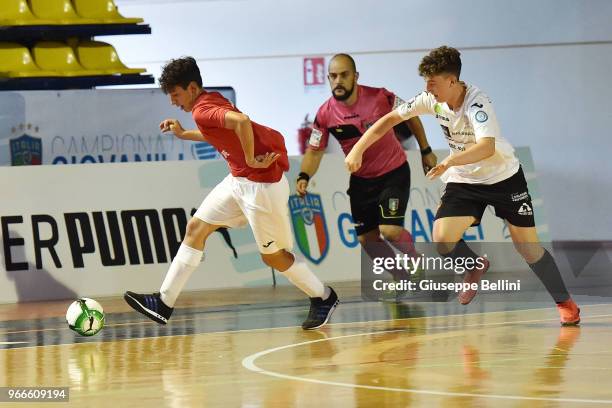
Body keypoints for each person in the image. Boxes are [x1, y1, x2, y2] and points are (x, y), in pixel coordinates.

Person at [344, 46, 580, 325]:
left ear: (452, 81)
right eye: (426, 82)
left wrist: (450, 160)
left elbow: (486, 147)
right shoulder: (431, 100)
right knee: (443, 239)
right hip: (465, 178)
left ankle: (565, 302)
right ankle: (474, 266)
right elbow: (391, 118)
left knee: (528, 249)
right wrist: (358, 149)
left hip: (502, 176)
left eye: (433, 82)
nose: (428, 88)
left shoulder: (478, 104)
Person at [124, 57, 338, 330]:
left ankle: (323, 296)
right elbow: (218, 133)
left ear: (191, 88)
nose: (173, 102)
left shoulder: (203, 110)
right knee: (196, 228)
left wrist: (249, 158)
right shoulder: (208, 101)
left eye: (175, 94)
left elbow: (241, 122)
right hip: (238, 181)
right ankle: (163, 303)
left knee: (273, 256)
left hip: (262, 187)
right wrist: (183, 134)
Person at [297, 53, 437, 281]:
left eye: (344, 75)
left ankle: (414, 258)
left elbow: (411, 115)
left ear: (356, 76)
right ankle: (400, 276)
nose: (338, 81)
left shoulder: (380, 97)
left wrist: (426, 150)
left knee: (389, 231)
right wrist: (304, 175)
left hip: (393, 173)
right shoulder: (324, 114)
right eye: (333, 76)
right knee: (367, 240)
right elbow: (314, 150)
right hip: (361, 181)